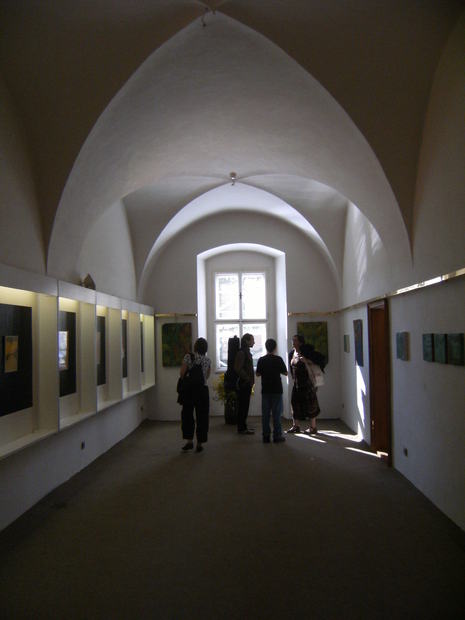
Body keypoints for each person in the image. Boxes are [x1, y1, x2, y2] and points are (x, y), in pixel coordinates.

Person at [179, 337, 211, 452]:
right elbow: (207, 376)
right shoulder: (208, 360)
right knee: (202, 416)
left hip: (189, 391)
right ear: (206, 348)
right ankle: (200, 443)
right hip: (202, 390)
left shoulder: (188, 357)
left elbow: (182, 373)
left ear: (195, 347)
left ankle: (189, 441)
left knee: (187, 415)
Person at [256, 338, 288, 443]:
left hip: (266, 389)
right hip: (277, 389)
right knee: (276, 414)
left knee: (265, 414)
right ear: (275, 348)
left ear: (266, 347)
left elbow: (258, 374)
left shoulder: (261, 360)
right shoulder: (278, 359)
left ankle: (266, 436)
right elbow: (285, 373)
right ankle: (277, 436)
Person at [287, 335, 320, 434]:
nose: (293, 342)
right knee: (294, 403)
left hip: (307, 382)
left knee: (310, 404)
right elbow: (291, 368)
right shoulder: (292, 353)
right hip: (297, 383)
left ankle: (313, 427)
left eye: (295, 340)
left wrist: (306, 361)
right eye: (292, 340)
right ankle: (296, 426)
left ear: (300, 342)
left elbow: (317, 362)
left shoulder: (306, 352)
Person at [234, 333, 255, 434]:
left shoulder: (245, 352)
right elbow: (238, 368)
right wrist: (247, 378)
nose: (254, 342)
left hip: (246, 383)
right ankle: (241, 428)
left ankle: (243, 427)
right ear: (246, 341)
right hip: (244, 383)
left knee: (245, 406)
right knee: (243, 406)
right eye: (252, 340)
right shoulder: (242, 352)